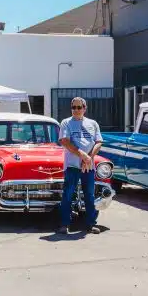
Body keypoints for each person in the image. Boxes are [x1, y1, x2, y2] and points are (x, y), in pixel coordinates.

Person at [57, 97, 103, 234]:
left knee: (89, 195)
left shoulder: (93, 124)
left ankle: (90, 224)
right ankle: (65, 224)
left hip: (88, 166)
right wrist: (81, 155)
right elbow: (64, 141)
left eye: (79, 107)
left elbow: (98, 142)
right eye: (74, 107)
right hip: (72, 166)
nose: (76, 110)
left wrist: (88, 158)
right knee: (68, 195)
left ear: (84, 108)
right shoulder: (66, 123)